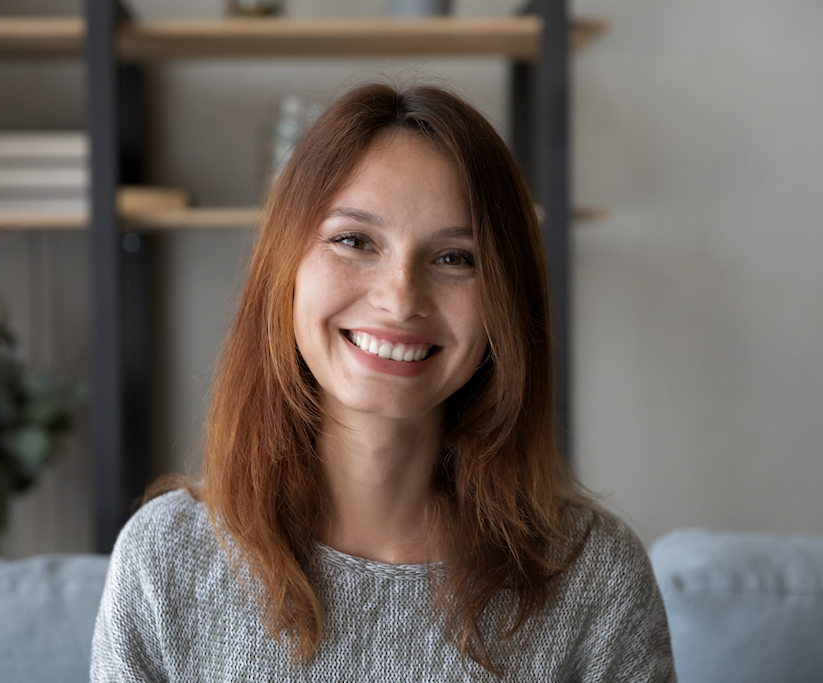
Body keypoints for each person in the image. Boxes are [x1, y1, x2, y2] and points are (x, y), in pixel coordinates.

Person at [90, 82, 675, 682]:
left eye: (454, 258)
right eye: (354, 241)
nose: (399, 300)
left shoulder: (595, 577)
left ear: (506, 300)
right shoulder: (165, 559)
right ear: (282, 269)